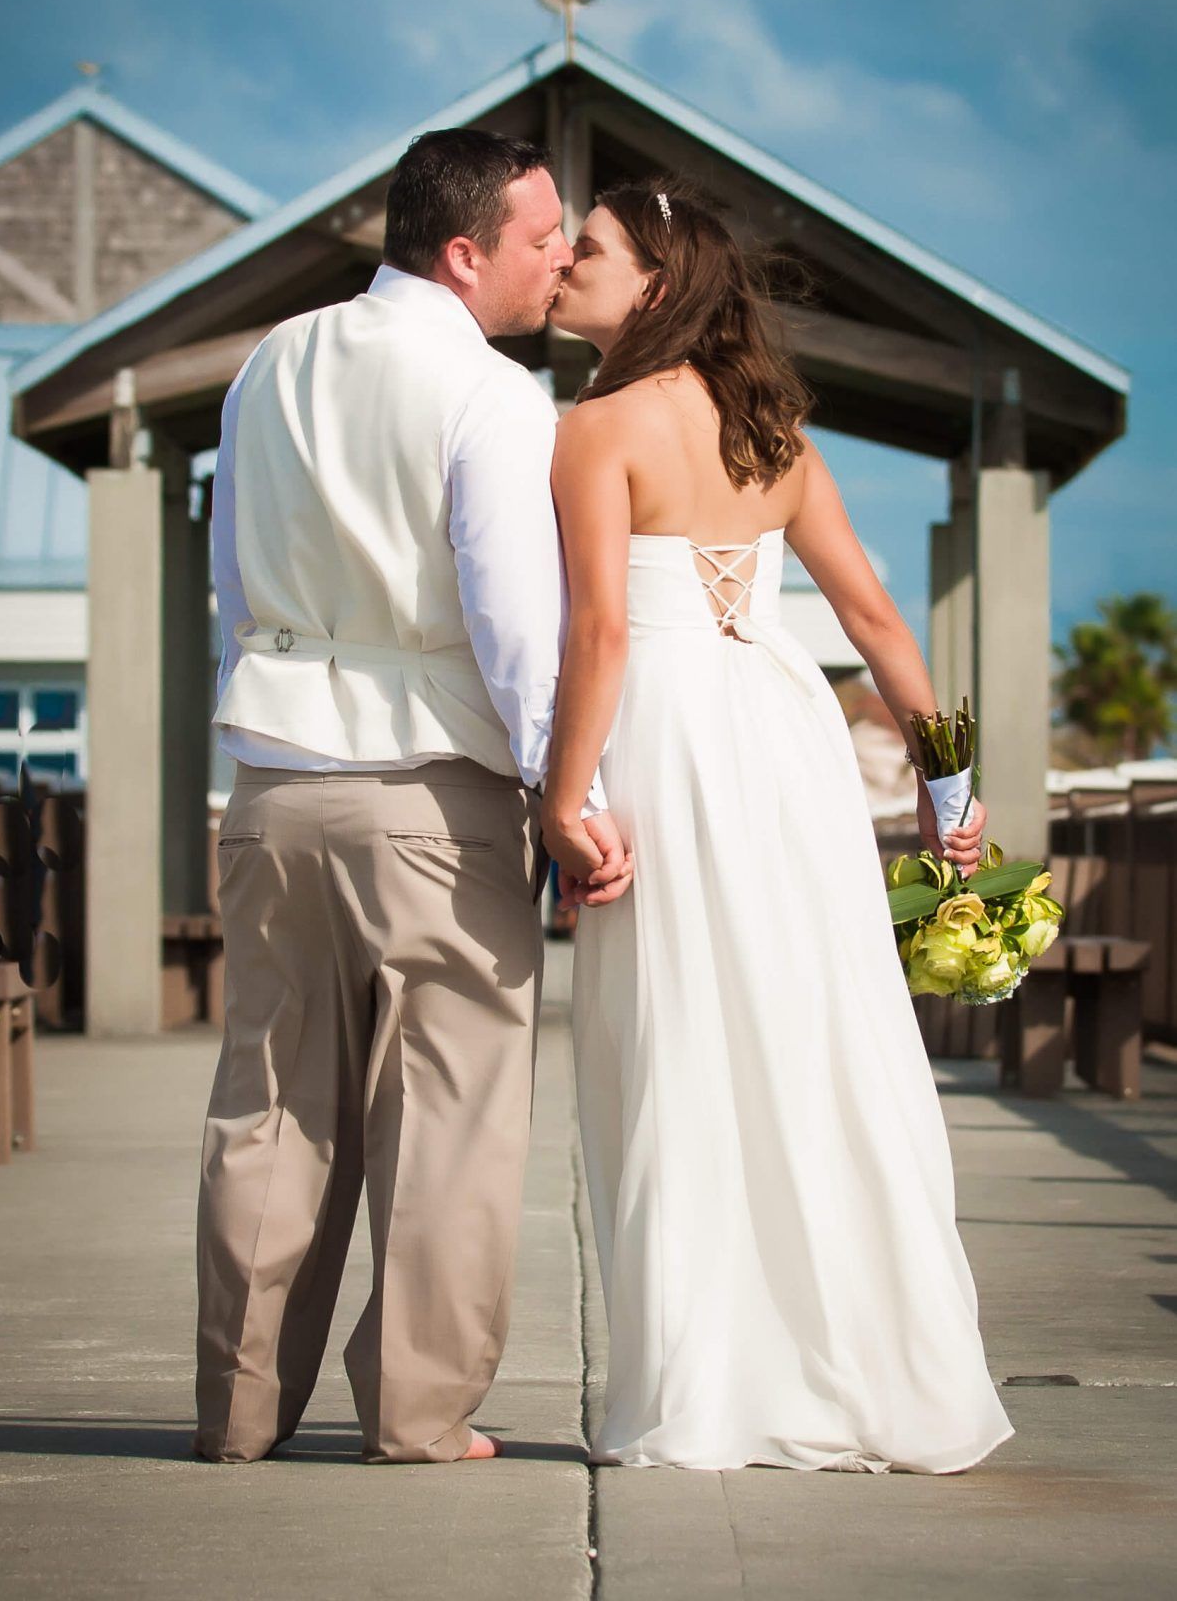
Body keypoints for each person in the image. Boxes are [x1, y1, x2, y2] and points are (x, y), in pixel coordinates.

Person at [544, 179, 1014, 1472]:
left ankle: (712, 1382)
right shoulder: (778, 433)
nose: (567, 266)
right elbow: (876, 621)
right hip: (789, 735)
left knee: (681, 1041)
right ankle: (869, 1362)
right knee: (815, 1035)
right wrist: (954, 793)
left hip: (673, 741)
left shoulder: (596, 429)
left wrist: (562, 797)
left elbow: (601, 631)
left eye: (590, 250)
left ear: (654, 284)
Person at [194, 128, 630, 1466]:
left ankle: (238, 1412)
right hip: (430, 796)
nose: (561, 255)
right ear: (466, 252)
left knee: (268, 1107)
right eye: (544, 235)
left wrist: (250, 737)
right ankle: (418, 1412)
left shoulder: (270, 361)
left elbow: (228, 584)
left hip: (272, 781)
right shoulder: (491, 393)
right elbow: (516, 620)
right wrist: (576, 793)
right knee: (448, 1114)